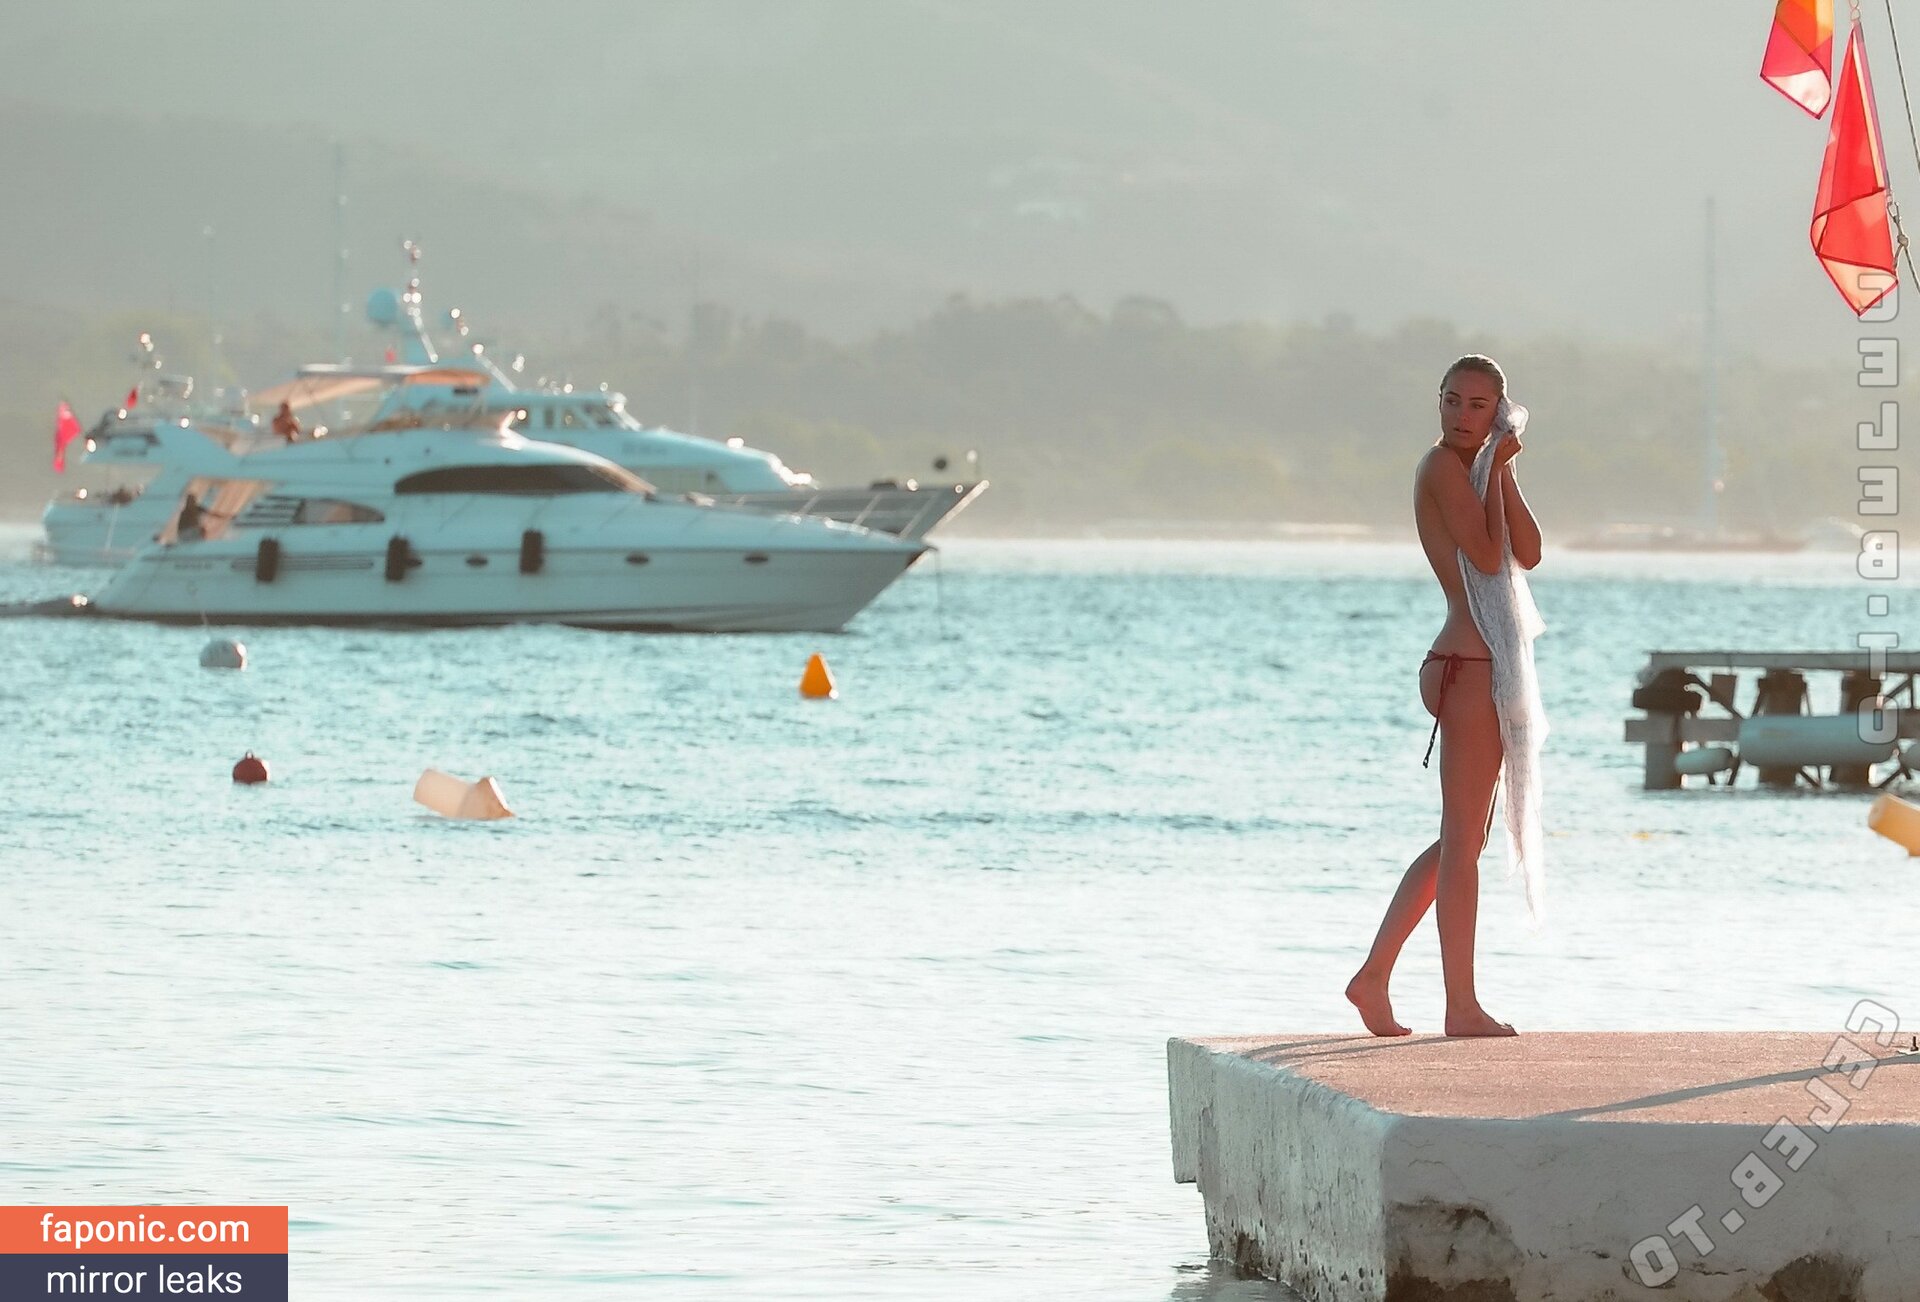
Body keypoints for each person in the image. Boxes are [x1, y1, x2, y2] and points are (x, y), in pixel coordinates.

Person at [1345, 354, 1543, 1038]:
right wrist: (1491, 472)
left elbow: (1528, 552)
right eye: (1453, 400)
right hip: (1466, 665)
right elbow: (1487, 557)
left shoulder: (1482, 471)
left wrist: (1503, 471)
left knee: (1462, 840)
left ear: (1499, 412)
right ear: (1438, 401)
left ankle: (1373, 977)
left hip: (1481, 665)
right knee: (1462, 846)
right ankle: (1460, 1006)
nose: (1462, 415)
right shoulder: (1438, 467)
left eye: (1478, 405)